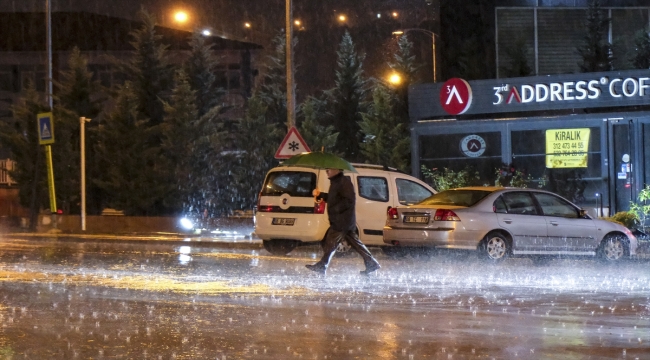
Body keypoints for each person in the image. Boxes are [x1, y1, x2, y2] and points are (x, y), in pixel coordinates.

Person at [305, 168, 381, 275]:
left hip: (342, 220)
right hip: (341, 220)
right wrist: (321, 195)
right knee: (353, 243)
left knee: (331, 243)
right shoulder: (336, 182)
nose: (327, 171)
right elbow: (334, 199)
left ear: (337, 170)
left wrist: (336, 209)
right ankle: (371, 263)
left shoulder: (344, 182)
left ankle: (322, 265)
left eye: (329, 169)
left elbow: (349, 200)